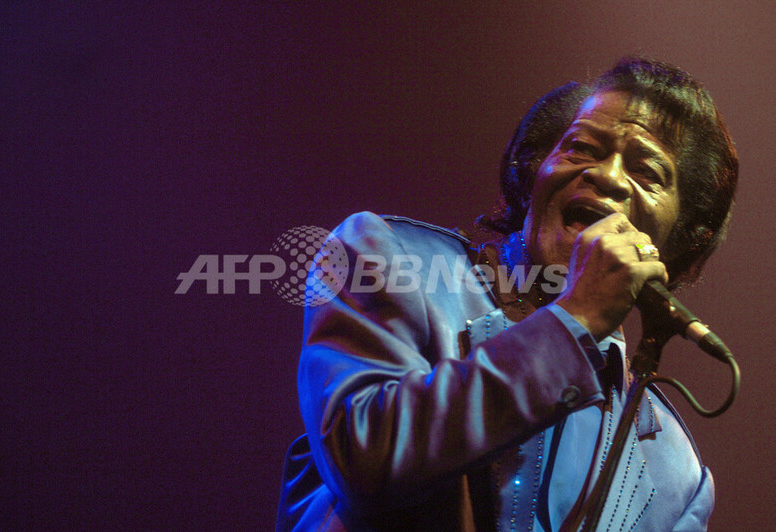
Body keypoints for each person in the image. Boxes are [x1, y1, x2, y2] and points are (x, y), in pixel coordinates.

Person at [276, 57, 738, 531]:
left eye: (647, 172)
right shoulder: (392, 260)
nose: (608, 176)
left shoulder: (679, 476)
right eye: (581, 147)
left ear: (685, 236)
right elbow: (363, 458)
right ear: (533, 170)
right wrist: (574, 319)